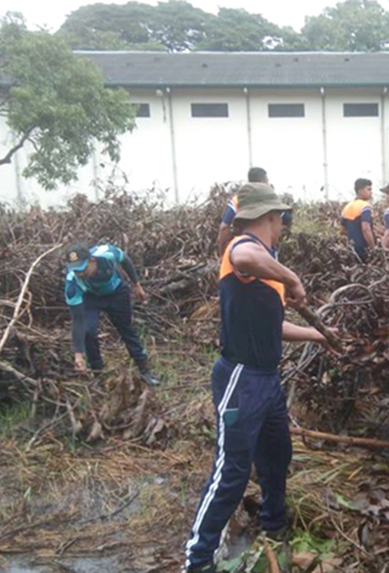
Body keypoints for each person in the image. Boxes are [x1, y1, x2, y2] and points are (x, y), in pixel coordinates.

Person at [184, 183, 334, 573]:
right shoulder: (244, 249)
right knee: (231, 471)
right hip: (240, 379)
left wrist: (320, 336)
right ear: (272, 218)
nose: (283, 226)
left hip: (267, 381)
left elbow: (274, 325)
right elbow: (244, 254)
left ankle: (273, 524)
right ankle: (198, 560)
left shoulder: (265, 265)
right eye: (281, 219)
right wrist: (294, 279)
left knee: (276, 455)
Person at [64, 243, 160, 386]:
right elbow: (78, 320)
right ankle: (98, 373)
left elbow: (125, 260)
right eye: (76, 271)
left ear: (92, 261)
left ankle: (144, 370)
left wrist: (137, 285)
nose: (80, 274)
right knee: (89, 331)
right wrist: (78, 354)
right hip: (91, 299)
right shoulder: (72, 284)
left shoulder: (107, 253)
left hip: (117, 294)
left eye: (83, 269)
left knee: (126, 328)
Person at [216, 167, 292, 255]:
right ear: (262, 181)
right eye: (267, 181)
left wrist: (223, 254)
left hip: (239, 252)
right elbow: (287, 219)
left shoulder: (237, 200)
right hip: (263, 251)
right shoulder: (268, 201)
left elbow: (224, 228)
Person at [340, 178, 375, 261]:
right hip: (364, 249)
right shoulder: (365, 207)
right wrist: (373, 248)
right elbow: (366, 229)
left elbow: (342, 231)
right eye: (368, 189)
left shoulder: (347, 207)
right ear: (360, 191)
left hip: (352, 250)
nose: (371, 192)